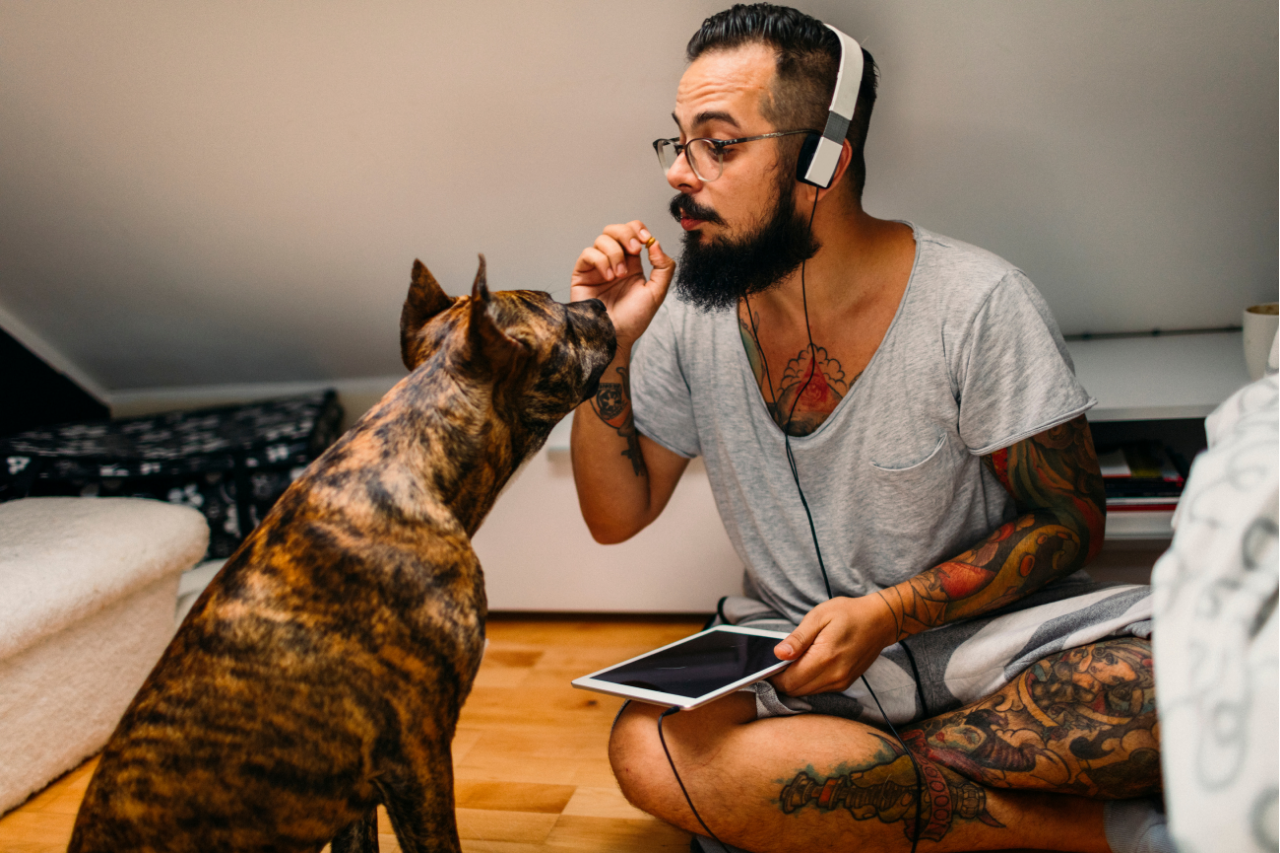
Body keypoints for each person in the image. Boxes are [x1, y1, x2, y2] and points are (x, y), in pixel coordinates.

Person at [569, 5, 1166, 852]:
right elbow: (613, 515)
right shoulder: (681, 317)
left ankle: (822, 792)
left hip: (986, 643)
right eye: (679, 142)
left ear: (823, 160)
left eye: (719, 143)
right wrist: (605, 345)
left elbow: (1070, 523)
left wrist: (887, 615)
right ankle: (1088, 831)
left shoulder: (978, 303)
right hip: (797, 658)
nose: (680, 174)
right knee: (647, 748)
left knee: (1189, 689)